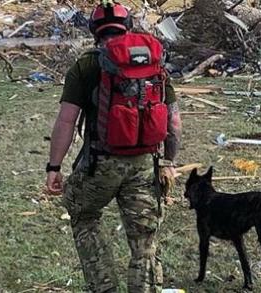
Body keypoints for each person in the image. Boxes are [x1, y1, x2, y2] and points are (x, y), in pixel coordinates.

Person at [44, 1, 181, 292]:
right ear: (127, 26)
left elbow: (66, 121)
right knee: (144, 243)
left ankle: (103, 287)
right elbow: (174, 122)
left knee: (84, 218)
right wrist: (169, 162)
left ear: (94, 31)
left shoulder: (87, 65)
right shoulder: (152, 60)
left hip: (100, 164)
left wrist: (54, 167)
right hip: (146, 164)